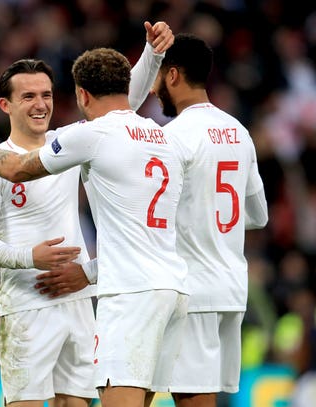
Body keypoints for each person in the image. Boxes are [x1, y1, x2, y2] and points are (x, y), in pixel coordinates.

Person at [0, 46, 189, 407]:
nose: (40, 104)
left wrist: (151, 55)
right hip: (27, 304)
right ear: (6, 105)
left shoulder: (71, 142)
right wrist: (28, 256)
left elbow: (120, 103)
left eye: (46, 95)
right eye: (28, 96)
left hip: (79, 300)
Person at [149, 33, 268, 407]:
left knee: (192, 397)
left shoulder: (172, 137)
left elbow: (153, 216)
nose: (153, 90)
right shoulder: (239, 131)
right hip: (232, 287)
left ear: (172, 75)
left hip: (193, 287)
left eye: (155, 79)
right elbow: (258, 215)